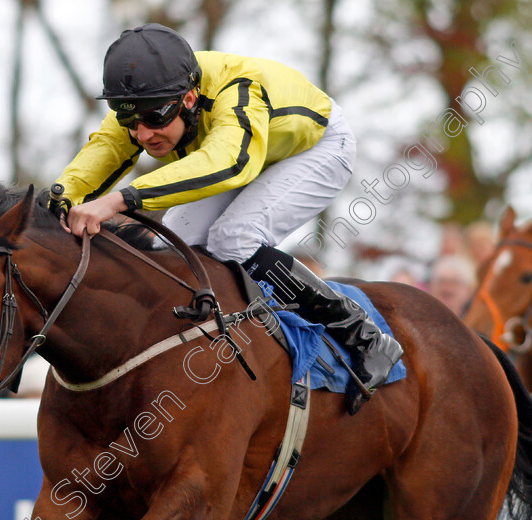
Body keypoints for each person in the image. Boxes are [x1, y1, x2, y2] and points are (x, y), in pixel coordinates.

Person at [53, 23, 402, 414]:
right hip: (250, 154)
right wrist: (62, 197)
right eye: (129, 121)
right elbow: (105, 149)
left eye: (154, 119)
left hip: (315, 148)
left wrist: (121, 200)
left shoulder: (238, 89)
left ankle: (363, 335)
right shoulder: (149, 103)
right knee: (175, 245)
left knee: (233, 239)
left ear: (188, 98)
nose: (143, 134)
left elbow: (230, 163)